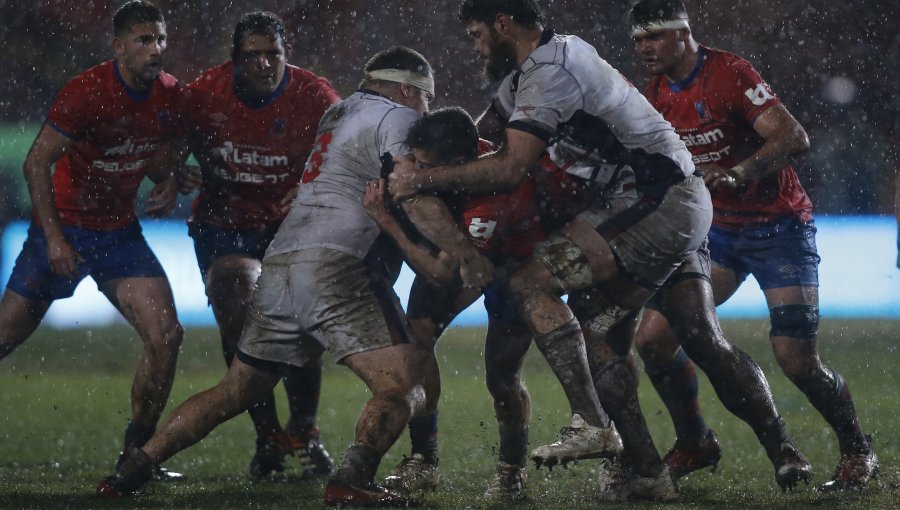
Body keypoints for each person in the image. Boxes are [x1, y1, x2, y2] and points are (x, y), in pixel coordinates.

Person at [96, 46, 483, 507]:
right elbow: (411, 189)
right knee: (408, 384)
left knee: (234, 391)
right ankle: (353, 478)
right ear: (406, 89)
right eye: (427, 99)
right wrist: (463, 250)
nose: (426, 113)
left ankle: (132, 469)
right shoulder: (397, 119)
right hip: (336, 262)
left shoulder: (337, 115)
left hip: (280, 261)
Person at [389, 0, 710, 493]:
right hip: (632, 204)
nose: (475, 48)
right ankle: (646, 470)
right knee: (602, 337)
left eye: (477, 34)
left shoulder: (549, 74)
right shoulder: (533, 71)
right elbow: (477, 137)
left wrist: (421, 180)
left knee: (530, 282)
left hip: (657, 200)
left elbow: (509, 166)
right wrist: (436, 157)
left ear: (503, 25)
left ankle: (593, 423)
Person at [627, 0, 878, 492]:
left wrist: (740, 172)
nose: (644, 48)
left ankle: (856, 450)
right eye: (637, 40)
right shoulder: (652, 94)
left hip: (780, 229)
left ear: (683, 32)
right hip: (716, 234)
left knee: (795, 359)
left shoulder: (729, 73)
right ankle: (695, 440)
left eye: (653, 36)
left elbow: (792, 136)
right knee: (653, 340)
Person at [0, 0, 185, 479]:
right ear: (118, 45)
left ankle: (137, 454)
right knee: (5, 336)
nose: (155, 49)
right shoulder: (87, 92)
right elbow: (35, 162)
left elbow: (156, 153)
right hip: (61, 232)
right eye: (144, 40)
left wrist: (168, 178)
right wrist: (56, 241)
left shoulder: (170, 95)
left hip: (118, 234)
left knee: (166, 336)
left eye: (160, 39)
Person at [161, 11, 340, 479]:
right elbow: (169, 145)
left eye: (272, 54)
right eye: (252, 56)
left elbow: (346, 152)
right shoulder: (203, 96)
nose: (263, 64)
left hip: (291, 223)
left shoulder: (315, 97)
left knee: (299, 323)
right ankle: (268, 436)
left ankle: (302, 430)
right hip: (225, 223)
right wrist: (174, 172)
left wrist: (310, 184)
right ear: (234, 61)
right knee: (239, 313)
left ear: (287, 56)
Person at [367, 107, 568, 501]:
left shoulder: (492, 199)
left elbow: (445, 274)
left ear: (457, 165)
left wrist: (386, 221)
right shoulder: (452, 152)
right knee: (416, 339)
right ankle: (424, 461)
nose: (416, 171)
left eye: (425, 166)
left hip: (512, 267)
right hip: (473, 255)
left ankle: (512, 469)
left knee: (502, 377)